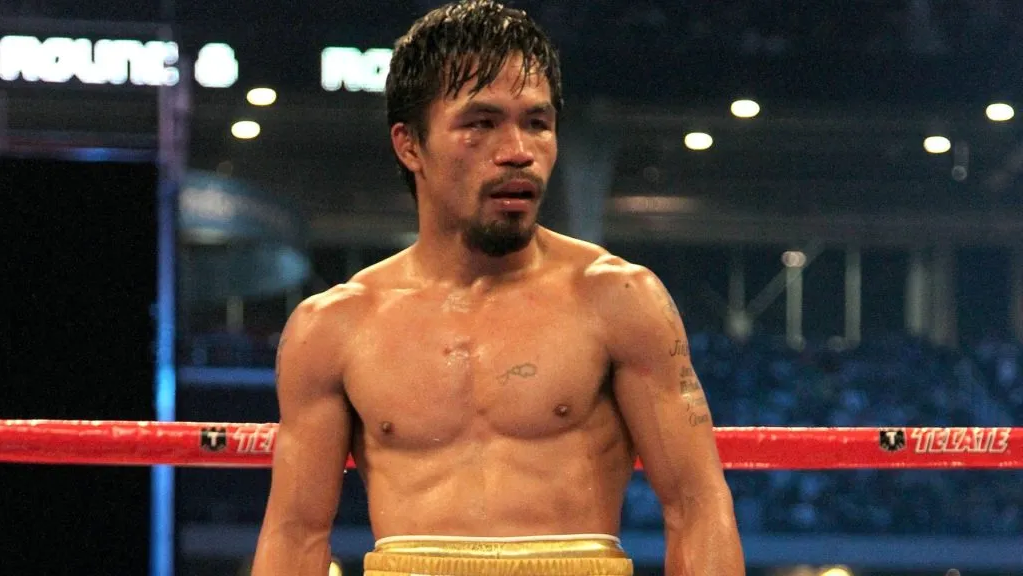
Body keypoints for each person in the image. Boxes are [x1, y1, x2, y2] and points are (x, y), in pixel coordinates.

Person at [251, 1, 744, 575]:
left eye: (537, 122)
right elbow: (295, 534)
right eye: (481, 123)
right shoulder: (334, 326)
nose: (518, 151)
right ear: (410, 145)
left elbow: (697, 505)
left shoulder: (619, 299)